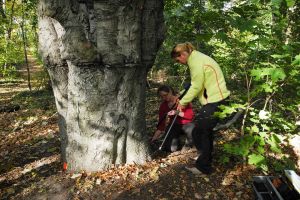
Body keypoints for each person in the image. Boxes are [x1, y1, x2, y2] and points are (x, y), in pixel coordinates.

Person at [171, 42, 230, 174]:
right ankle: (204, 157)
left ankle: (203, 167)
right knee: (200, 132)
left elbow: (196, 86)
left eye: (178, 59)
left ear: (183, 54)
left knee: (201, 132)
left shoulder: (195, 61)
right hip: (214, 100)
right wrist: (181, 95)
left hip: (216, 101)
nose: (179, 62)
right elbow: (194, 83)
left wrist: (183, 102)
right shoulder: (196, 58)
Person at [151, 85, 195, 152]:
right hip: (174, 125)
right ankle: (177, 143)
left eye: (165, 95)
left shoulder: (182, 101)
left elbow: (190, 116)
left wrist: (176, 112)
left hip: (187, 124)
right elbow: (161, 124)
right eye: (161, 96)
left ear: (170, 92)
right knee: (171, 149)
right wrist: (154, 138)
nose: (164, 98)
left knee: (192, 132)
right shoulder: (163, 106)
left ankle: (187, 147)